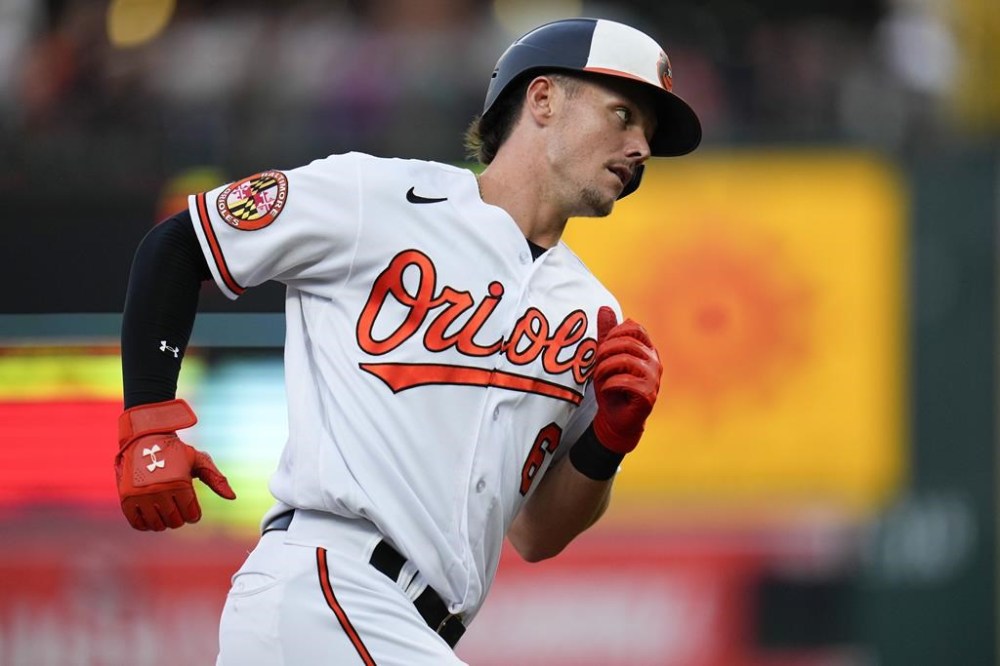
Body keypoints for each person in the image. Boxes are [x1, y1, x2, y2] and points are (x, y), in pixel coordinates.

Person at [116, 16, 701, 665]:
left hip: (411, 626)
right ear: (542, 99)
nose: (641, 146)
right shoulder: (379, 197)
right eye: (623, 114)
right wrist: (149, 420)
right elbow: (179, 242)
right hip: (329, 586)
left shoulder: (592, 310)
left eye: (648, 132)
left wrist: (607, 444)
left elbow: (536, 532)